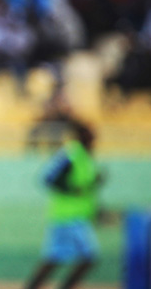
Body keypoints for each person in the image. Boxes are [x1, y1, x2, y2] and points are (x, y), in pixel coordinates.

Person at [26, 120, 102, 289]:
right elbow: (49, 178)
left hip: (76, 216)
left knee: (55, 259)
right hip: (67, 217)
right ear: (82, 136)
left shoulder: (85, 157)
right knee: (87, 258)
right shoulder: (72, 154)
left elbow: (84, 188)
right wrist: (74, 190)